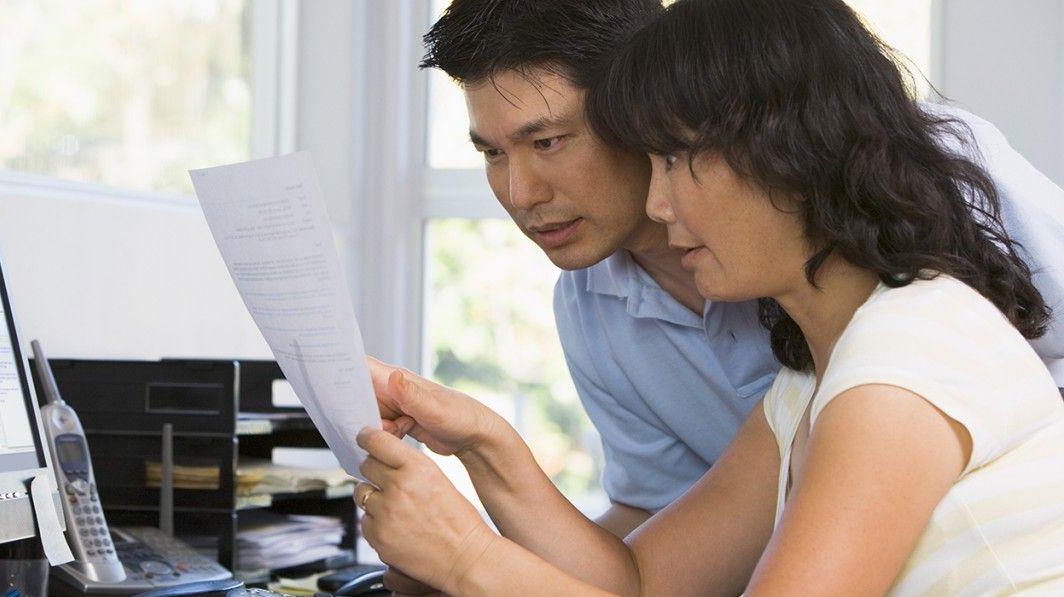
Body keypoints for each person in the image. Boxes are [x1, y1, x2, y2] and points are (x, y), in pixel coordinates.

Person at [354, 0, 1064, 593]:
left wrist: (467, 557)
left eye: (674, 159)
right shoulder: (809, 382)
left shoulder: (909, 347)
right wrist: (484, 444)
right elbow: (642, 579)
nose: (657, 205)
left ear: (787, 149)